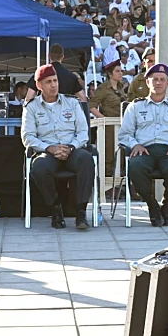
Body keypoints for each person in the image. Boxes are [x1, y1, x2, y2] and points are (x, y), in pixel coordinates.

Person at [118, 64, 168, 227]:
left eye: (162, 80)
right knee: (135, 167)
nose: (158, 83)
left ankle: (167, 204)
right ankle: (152, 205)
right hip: (144, 150)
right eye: (155, 79)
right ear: (147, 83)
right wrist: (135, 144)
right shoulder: (135, 107)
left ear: (167, 84)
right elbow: (124, 134)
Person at [22, 64, 94, 230]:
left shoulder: (72, 103)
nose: (54, 85)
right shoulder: (32, 107)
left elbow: (83, 132)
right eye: (48, 82)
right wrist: (50, 148)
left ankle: (81, 212)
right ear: (39, 86)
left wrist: (71, 147)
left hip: (72, 150)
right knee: (39, 167)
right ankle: (55, 209)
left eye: (55, 81)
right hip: (48, 152)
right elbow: (28, 137)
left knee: (86, 159)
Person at [89, 60, 128, 174]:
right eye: (117, 71)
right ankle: (108, 185)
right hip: (109, 127)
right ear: (110, 74)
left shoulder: (121, 87)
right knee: (109, 154)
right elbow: (92, 106)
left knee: (120, 154)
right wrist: (103, 119)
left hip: (121, 125)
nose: (120, 73)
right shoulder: (103, 88)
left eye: (121, 71)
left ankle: (118, 182)